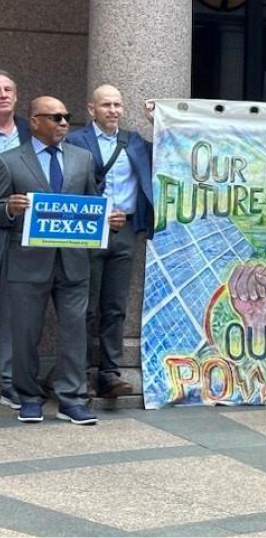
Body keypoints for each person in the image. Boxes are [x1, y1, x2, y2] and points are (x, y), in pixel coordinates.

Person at [0, 96, 108, 425]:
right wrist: (8, 208)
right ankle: (28, 396)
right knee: (24, 333)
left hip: (74, 262)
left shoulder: (84, 159)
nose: (63, 123)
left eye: (66, 116)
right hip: (27, 262)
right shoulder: (9, 161)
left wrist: (107, 221)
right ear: (34, 121)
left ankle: (72, 399)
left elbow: (93, 203)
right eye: (55, 117)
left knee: (75, 331)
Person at [61, 84, 153, 400]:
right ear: (91, 109)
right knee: (84, 305)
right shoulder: (75, 140)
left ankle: (110, 374)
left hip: (125, 231)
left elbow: (171, 149)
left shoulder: (135, 142)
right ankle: (80, 372)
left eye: (117, 105)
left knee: (115, 306)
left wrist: (160, 120)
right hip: (86, 231)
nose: (113, 110)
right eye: (106, 105)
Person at [0, 69, 32, 410]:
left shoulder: (30, 131)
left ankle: (8, 379)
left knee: (10, 307)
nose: (3, 94)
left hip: (21, 231)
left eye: (8, 89)